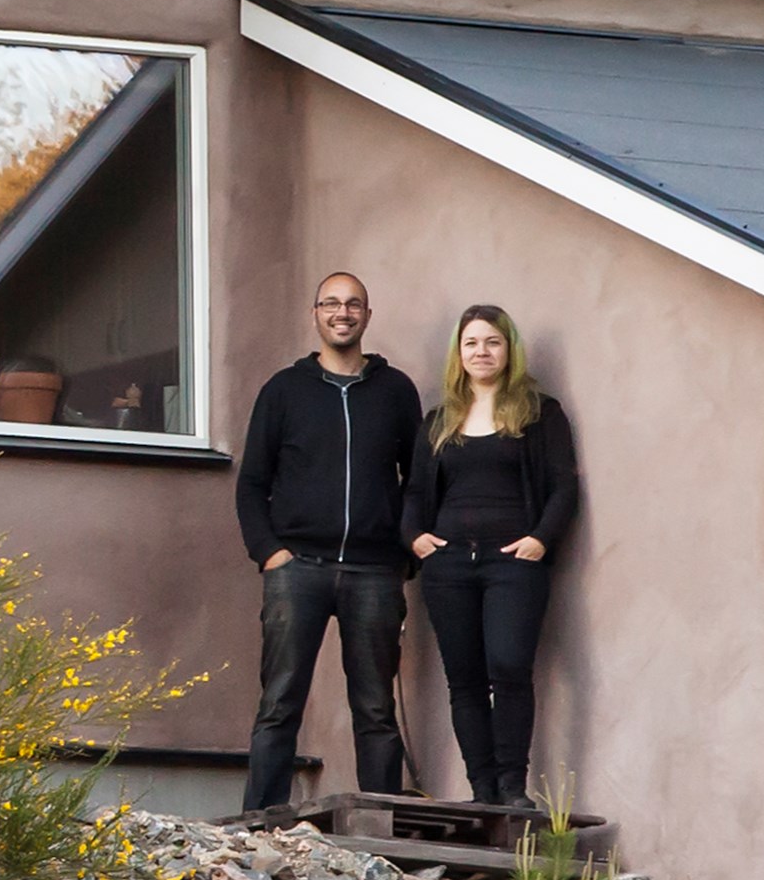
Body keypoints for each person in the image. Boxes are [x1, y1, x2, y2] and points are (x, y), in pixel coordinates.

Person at [232, 270, 422, 814]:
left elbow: (420, 480)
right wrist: (269, 552)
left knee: (376, 709)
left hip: (374, 572)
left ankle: (382, 827)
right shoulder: (283, 391)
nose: (343, 312)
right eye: (331, 303)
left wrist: (404, 555)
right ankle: (259, 821)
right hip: (298, 568)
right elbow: (251, 483)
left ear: (367, 314)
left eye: (353, 304)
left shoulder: (396, 392)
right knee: (279, 702)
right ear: (315, 314)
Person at [408, 303, 580, 805]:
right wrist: (415, 538)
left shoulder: (539, 412)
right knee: (463, 678)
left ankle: (512, 786)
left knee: (508, 666)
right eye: (471, 344)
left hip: (515, 563)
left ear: (509, 350)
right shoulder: (439, 420)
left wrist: (541, 540)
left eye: (492, 342)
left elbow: (563, 487)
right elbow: (415, 492)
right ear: (458, 355)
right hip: (449, 565)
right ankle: (481, 790)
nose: (481, 352)